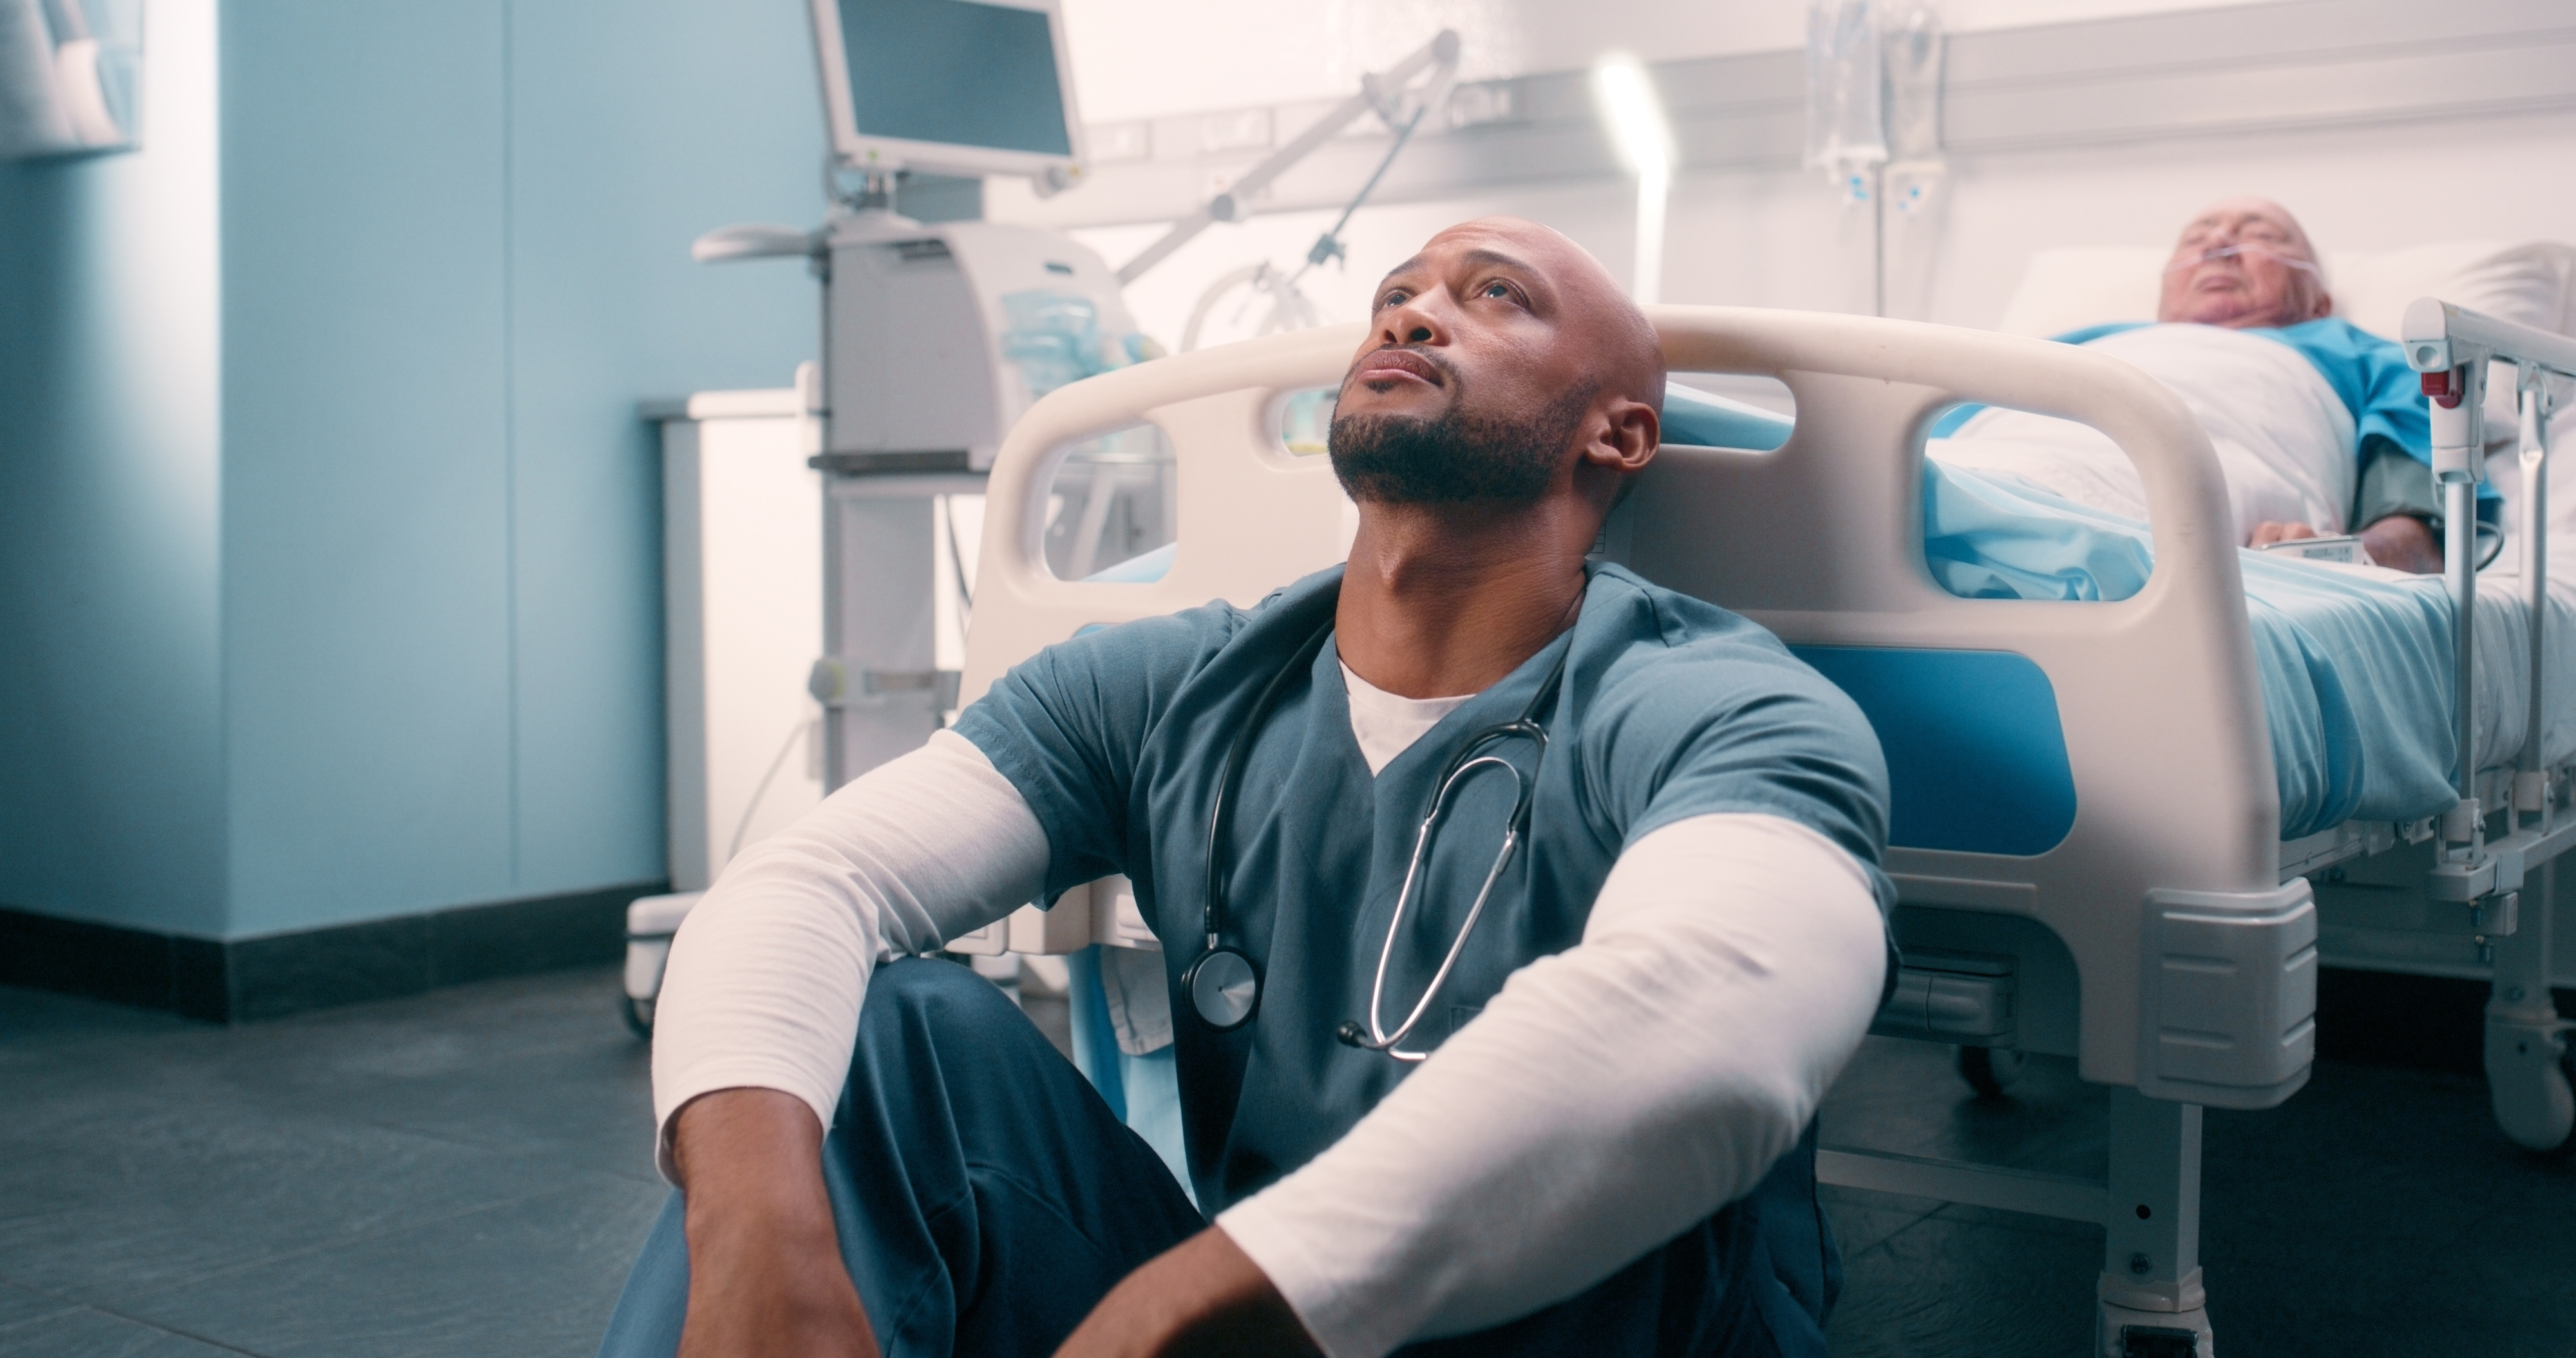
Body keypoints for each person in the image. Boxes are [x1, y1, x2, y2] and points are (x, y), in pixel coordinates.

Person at [597, 217, 1895, 1358]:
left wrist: (1183, 1304)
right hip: (1231, 1330)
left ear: (1617, 432)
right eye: (1400, 290)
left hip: (1590, 1322)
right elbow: (806, 886)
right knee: (908, 1036)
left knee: (1636, 1184)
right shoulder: (1164, 687)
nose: (1412, 308)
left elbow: (1714, 1016)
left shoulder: (1719, 706)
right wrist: (763, 1252)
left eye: (1494, 294)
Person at [1932, 196, 2480, 573]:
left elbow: (2425, 530)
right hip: (1960, 474)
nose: (2218, 242)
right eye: (2198, 237)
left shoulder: (2363, 354)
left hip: (2149, 506)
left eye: (2260, 234)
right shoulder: (2067, 343)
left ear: (2318, 300)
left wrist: (2345, 557)